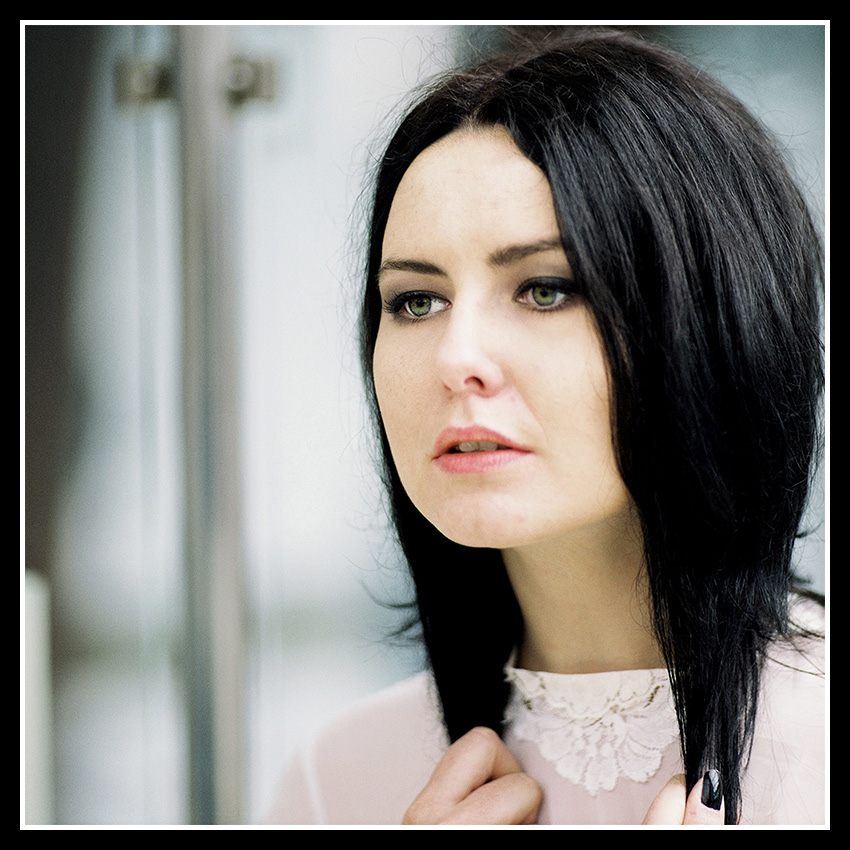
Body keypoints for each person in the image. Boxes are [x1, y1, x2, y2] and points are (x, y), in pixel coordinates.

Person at [269, 29, 825, 825]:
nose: (456, 358)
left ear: (707, 322)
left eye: (544, 289)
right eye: (416, 301)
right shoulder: (339, 778)